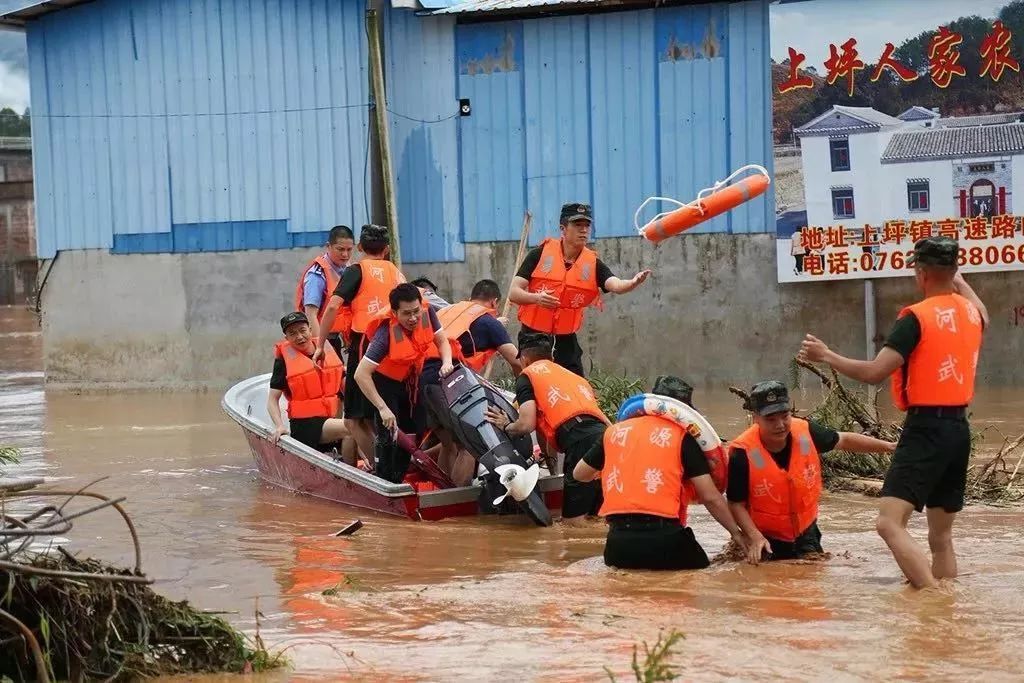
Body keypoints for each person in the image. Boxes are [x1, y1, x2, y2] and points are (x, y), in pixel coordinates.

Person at [798, 236, 988, 589]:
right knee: (941, 538)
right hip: (958, 431)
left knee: (888, 523)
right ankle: (947, 612)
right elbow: (984, 314)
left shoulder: (916, 318)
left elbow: (874, 372)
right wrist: (961, 283)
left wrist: (827, 355)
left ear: (921, 272)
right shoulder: (971, 312)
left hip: (926, 428)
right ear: (954, 271)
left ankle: (933, 601)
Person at [573, 376, 747, 570]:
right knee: (711, 571)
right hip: (665, 541)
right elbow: (710, 497)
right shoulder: (683, 437)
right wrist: (737, 534)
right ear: (684, 411)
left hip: (617, 546)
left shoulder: (613, 432)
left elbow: (579, 474)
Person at [728, 381, 896, 565]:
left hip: (806, 532)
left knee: (813, 585)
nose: (780, 425)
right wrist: (754, 537)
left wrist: (889, 447)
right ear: (756, 418)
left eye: (785, 416)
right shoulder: (742, 452)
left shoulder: (806, 431)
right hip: (765, 537)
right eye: (771, 419)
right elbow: (736, 504)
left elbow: (844, 440)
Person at [508, 203, 651, 377]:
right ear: (563, 228)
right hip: (533, 336)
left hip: (565, 339)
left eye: (587, 226)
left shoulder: (592, 263)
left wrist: (632, 283)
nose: (584, 230)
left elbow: (615, 285)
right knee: (535, 388)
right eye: (577, 225)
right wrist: (536, 298)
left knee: (576, 385)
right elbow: (513, 293)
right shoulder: (538, 255)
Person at [483, 333, 610, 521]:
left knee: (572, 524)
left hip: (580, 443)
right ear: (550, 356)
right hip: (606, 439)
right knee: (597, 517)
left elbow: (526, 425)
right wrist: (554, 472)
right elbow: (557, 426)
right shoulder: (574, 378)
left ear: (524, 359)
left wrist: (506, 425)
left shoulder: (527, 377)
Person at [316, 224, 406, 466]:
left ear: (359, 248)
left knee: (354, 420)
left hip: (365, 347)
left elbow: (333, 306)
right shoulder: (397, 273)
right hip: (396, 351)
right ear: (387, 250)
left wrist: (320, 345)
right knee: (381, 415)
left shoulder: (356, 270)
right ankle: (393, 464)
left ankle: (381, 469)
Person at [420, 279, 524, 484]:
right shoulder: (488, 322)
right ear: (494, 302)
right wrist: (524, 392)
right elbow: (516, 360)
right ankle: (458, 505)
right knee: (469, 446)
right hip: (448, 380)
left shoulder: (449, 311)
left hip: (422, 380)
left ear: (470, 298)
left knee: (448, 444)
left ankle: (441, 497)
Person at [353, 283, 454, 484]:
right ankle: (384, 481)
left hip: (412, 381)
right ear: (394, 313)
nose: (413, 318)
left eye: (416, 311)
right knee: (388, 434)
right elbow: (360, 374)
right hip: (385, 384)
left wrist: (447, 362)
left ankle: (398, 479)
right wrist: (382, 408)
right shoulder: (384, 335)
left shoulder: (428, 313)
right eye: (406, 314)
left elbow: (442, 341)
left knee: (413, 430)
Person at [267, 312, 351, 457]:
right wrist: (280, 426)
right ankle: (353, 473)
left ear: (310, 330)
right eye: (292, 333)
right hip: (305, 425)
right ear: (286, 338)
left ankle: (361, 468)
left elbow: (346, 388)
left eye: (302, 330)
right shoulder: (284, 361)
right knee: (351, 428)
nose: (299, 336)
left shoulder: (327, 349)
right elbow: (272, 400)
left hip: (331, 419)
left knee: (360, 426)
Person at [295, 225, 355, 358]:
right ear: (329, 246)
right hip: (321, 341)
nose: (345, 254)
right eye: (340, 249)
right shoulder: (317, 274)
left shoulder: (348, 269)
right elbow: (311, 314)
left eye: (349, 250)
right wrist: (320, 347)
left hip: (335, 339)